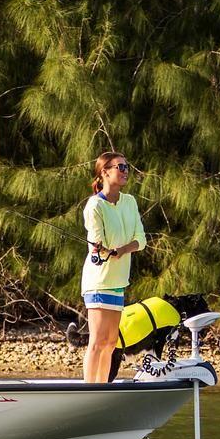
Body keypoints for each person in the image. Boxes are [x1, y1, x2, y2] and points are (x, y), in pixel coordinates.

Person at [81, 152, 146, 384]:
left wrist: (123, 249)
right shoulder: (95, 205)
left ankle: (102, 387)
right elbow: (95, 246)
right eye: (120, 167)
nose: (125, 170)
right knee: (97, 341)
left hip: (119, 281)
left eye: (127, 166)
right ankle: (90, 390)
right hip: (98, 281)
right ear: (105, 172)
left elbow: (141, 239)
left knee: (110, 342)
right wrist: (100, 250)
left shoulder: (129, 202)